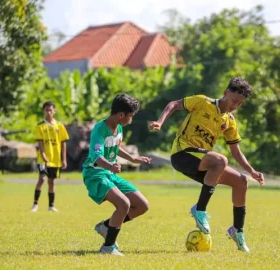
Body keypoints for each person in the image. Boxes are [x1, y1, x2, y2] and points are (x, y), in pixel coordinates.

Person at [149, 77, 265, 253]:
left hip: (204, 162)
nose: (235, 105)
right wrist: (160, 122)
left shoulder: (229, 121)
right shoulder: (202, 102)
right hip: (183, 154)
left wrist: (252, 171)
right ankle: (200, 209)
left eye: (240, 104)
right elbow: (173, 104)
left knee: (241, 182)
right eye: (234, 100)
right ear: (226, 92)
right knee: (220, 160)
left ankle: (237, 231)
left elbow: (236, 151)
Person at [82, 93, 151, 256]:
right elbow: (97, 157)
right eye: (131, 116)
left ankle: (106, 227)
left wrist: (132, 158)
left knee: (142, 205)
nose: (131, 119)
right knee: (123, 204)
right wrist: (110, 166)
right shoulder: (99, 130)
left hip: (109, 173)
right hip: (95, 174)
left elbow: (115, 147)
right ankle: (107, 248)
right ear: (121, 115)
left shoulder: (118, 128)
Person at [31, 101, 69, 212]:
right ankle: (35, 204)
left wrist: (64, 159)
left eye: (50, 110)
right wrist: (43, 155)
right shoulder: (40, 126)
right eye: (46, 110)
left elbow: (63, 143)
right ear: (43, 111)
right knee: (42, 179)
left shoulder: (59, 126)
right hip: (43, 160)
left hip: (55, 160)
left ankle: (51, 206)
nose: (48, 112)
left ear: (54, 111)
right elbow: (40, 143)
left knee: (51, 181)